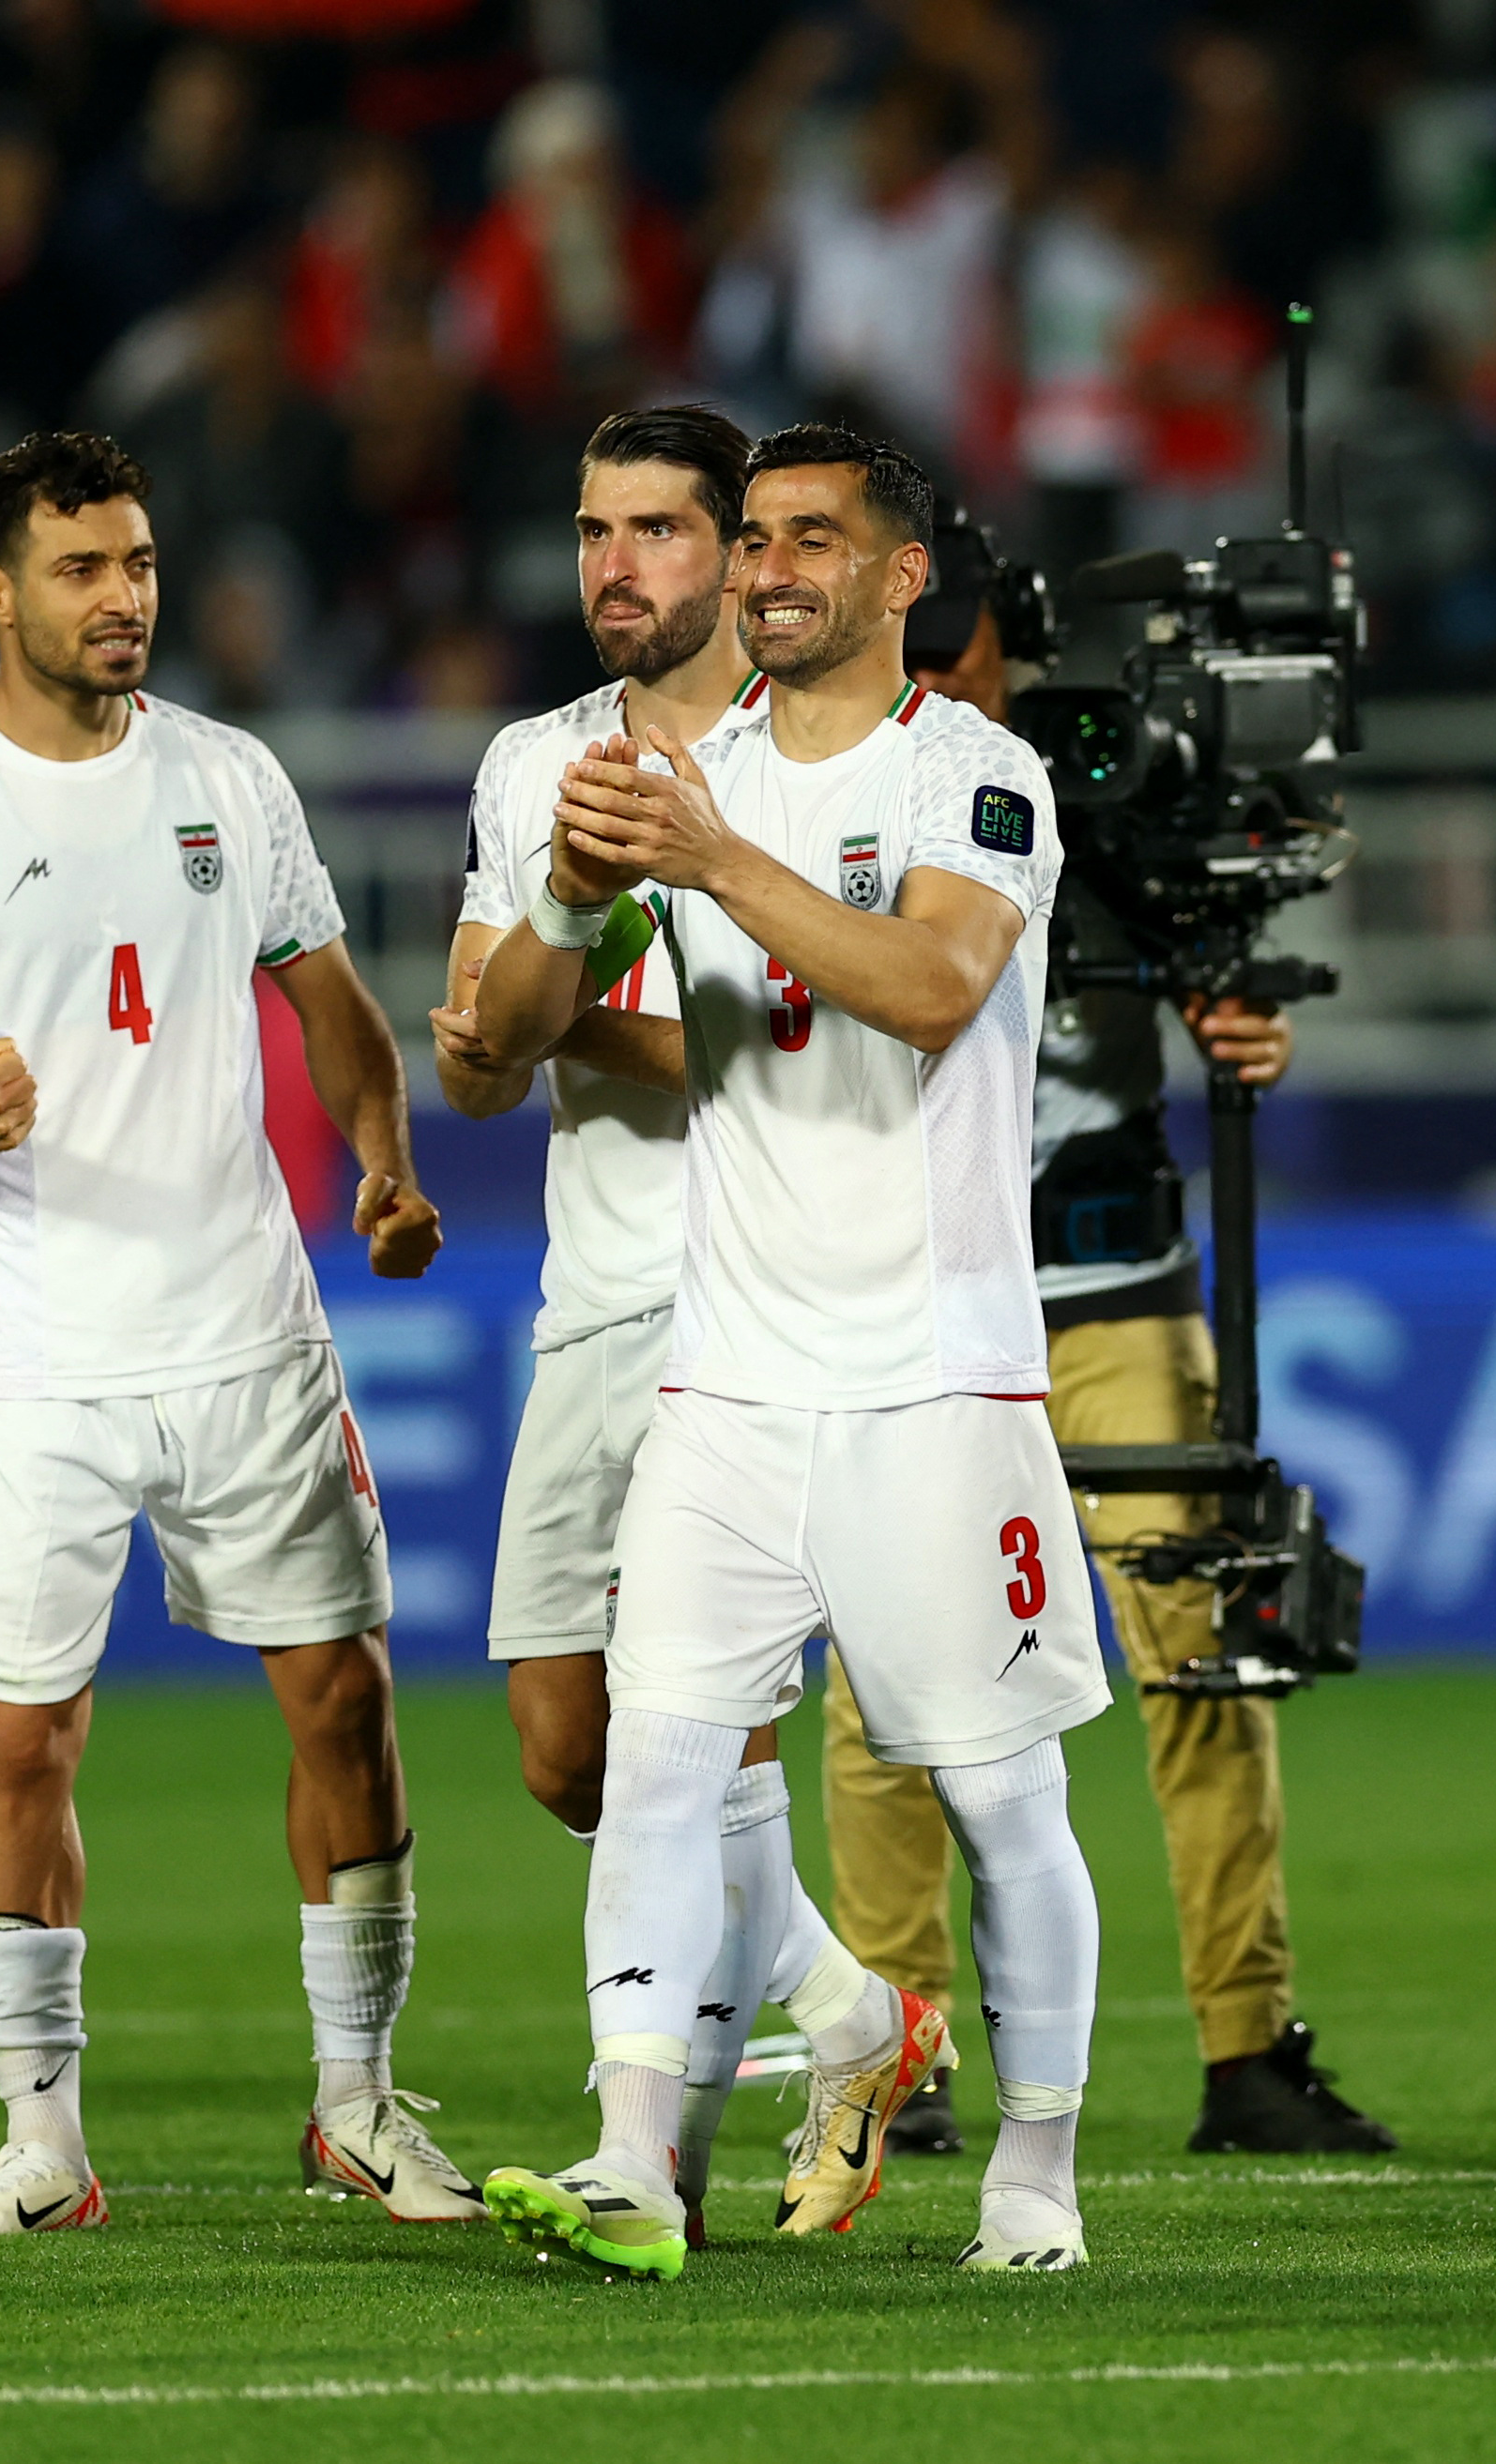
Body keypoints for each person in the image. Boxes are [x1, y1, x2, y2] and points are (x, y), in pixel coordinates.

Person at [0, 431, 471, 2236]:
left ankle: (359, 2102)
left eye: (143, 564)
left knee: (345, 1701)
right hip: (32, 1356)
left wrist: (385, 1171)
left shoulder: (230, 780)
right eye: (86, 570)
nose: (126, 599)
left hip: (248, 1327)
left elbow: (338, 1012)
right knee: (26, 1739)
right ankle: (42, 2146)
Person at [470, 425, 1106, 2281]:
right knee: (659, 1757)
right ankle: (624, 2149)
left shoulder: (971, 773)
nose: (766, 569)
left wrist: (707, 856)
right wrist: (580, 895)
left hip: (930, 1378)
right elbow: (501, 1041)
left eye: (811, 540)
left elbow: (924, 987)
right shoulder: (682, 773)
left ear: (902, 576)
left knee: (996, 1795)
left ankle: (1038, 2169)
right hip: (727, 1381)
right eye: (753, 539)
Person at [822, 515, 1397, 2161]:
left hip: (1112, 1290)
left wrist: (1237, 1013)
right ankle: (902, 2047)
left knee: (1200, 1658)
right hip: (921, 1300)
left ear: (1013, 642)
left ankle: (1247, 2047)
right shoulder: (821, 804)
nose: (937, 684)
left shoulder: (1109, 786)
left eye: (961, 651)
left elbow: (1233, 929)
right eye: (913, 652)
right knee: (882, 1690)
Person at [430, 402, 862, 2247]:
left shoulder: (828, 766)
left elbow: (818, 1051)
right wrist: (564, 909)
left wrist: (566, 1012)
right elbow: (467, 1062)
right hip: (590, 1295)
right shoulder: (535, 763)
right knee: (566, 1748)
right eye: (594, 528)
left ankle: (647, 2140)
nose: (617, 562)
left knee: (695, 1724)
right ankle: (851, 2011)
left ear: (744, 555)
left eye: (659, 531)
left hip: (758, 1307)